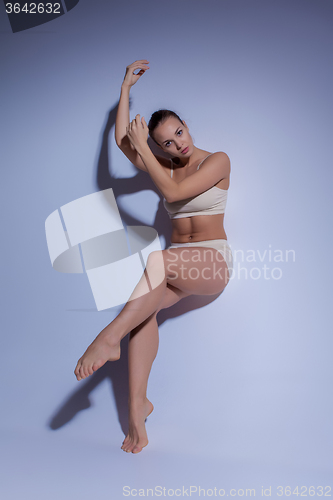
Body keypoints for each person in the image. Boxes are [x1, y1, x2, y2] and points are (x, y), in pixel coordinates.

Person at [74, 59, 234, 454]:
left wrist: (148, 157)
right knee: (143, 316)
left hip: (212, 262)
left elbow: (176, 195)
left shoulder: (216, 161)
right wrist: (125, 90)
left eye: (179, 132)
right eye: (166, 142)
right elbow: (122, 144)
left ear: (186, 126)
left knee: (157, 261)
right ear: (159, 146)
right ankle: (136, 411)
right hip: (179, 263)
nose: (178, 144)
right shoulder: (162, 165)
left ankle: (106, 338)